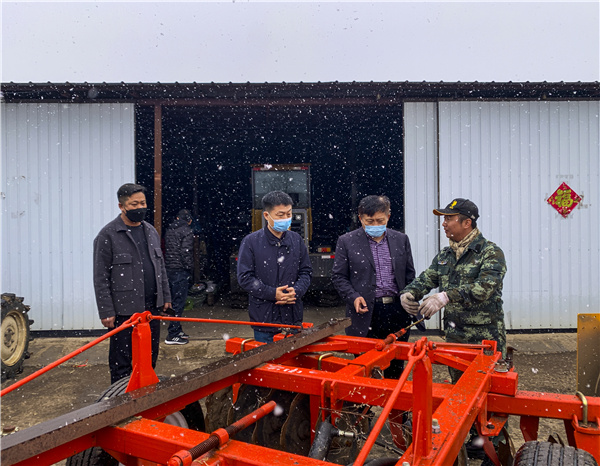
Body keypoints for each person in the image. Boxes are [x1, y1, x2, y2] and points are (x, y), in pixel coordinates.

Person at [399, 198, 507, 463]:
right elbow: (428, 278)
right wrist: (410, 292)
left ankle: (495, 447)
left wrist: (445, 297)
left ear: (467, 222)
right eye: (444, 219)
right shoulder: (447, 255)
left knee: (490, 395)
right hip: (456, 338)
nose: (444, 224)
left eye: (449, 219)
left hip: (485, 339)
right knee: (460, 392)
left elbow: (484, 289)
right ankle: (470, 440)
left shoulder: (490, 253)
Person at [93, 183, 172, 384]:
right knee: (123, 363)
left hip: (151, 310)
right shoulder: (108, 235)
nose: (140, 207)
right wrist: (106, 310)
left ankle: (145, 396)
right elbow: (100, 276)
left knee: (149, 358)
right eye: (134, 204)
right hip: (124, 311)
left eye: (143, 203)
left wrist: (165, 298)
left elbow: (160, 267)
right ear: (121, 206)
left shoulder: (151, 231)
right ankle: (122, 403)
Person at [331, 195, 416, 379]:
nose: (375, 225)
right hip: (365, 313)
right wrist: (353, 296)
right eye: (370, 221)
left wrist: (410, 295)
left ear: (388, 216)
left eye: (380, 220)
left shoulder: (400, 239)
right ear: (360, 218)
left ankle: (395, 406)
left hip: (397, 311)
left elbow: (410, 275)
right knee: (365, 369)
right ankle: (365, 407)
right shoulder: (347, 241)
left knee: (396, 366)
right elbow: (338, 276)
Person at [237, 191, 312, 343]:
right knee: (267, 363)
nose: (286, 219)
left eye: (289, 214)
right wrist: (271, 293)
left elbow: (306, 272)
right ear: (266, 216)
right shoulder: (251, 242)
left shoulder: (296, 240)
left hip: (293, 317)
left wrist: (296, 291)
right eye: (280, 215)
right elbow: (245, 277)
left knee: (292, 364)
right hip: (264, 319)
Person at [164, 209, 194, 345]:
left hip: (169, 269)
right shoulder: (187, 231)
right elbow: (185, 252)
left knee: (172, 301)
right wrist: (190, 268)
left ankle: (177, 329)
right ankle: (173, 334)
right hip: (180, 270)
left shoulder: (169, 230)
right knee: (179, 302)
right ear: (189, 220)